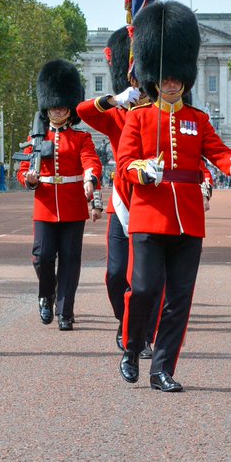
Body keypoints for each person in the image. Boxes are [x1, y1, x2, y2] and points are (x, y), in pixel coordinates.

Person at [115, 1, 231, 392]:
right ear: (154, 78)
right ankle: (130, 347)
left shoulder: (199, 121)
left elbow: (218, 151)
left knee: (179, 299)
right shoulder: (138, 118)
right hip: (148, 214)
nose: (172, 82)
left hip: (188, 218)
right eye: (165, 77)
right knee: (143, 289)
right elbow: (124, 162)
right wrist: (141, 170)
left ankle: (162, 369)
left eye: (177, 77)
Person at [76, 26, 158, 352]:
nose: (138, 86)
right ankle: (126, 323)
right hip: (123, 203)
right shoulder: (117, 116)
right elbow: (82, 111)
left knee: (146, 279)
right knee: (114, 275)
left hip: (152, 202)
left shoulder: (161, 116)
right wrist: (113, 99)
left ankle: (141, 334)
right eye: (133, 80)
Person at [18, 59, 103, 332]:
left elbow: (91, 161)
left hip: (73, 207)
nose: (57, 109)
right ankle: (47, 293)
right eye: (53, 106)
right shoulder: (35, 139)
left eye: (62, 105)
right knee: (41, 257)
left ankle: (65, 312)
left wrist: (90, 176)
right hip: (44, 205)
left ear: (69, 108)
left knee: (69, 261)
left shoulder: (80, 138)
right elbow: (23, 169)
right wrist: (29, 180)